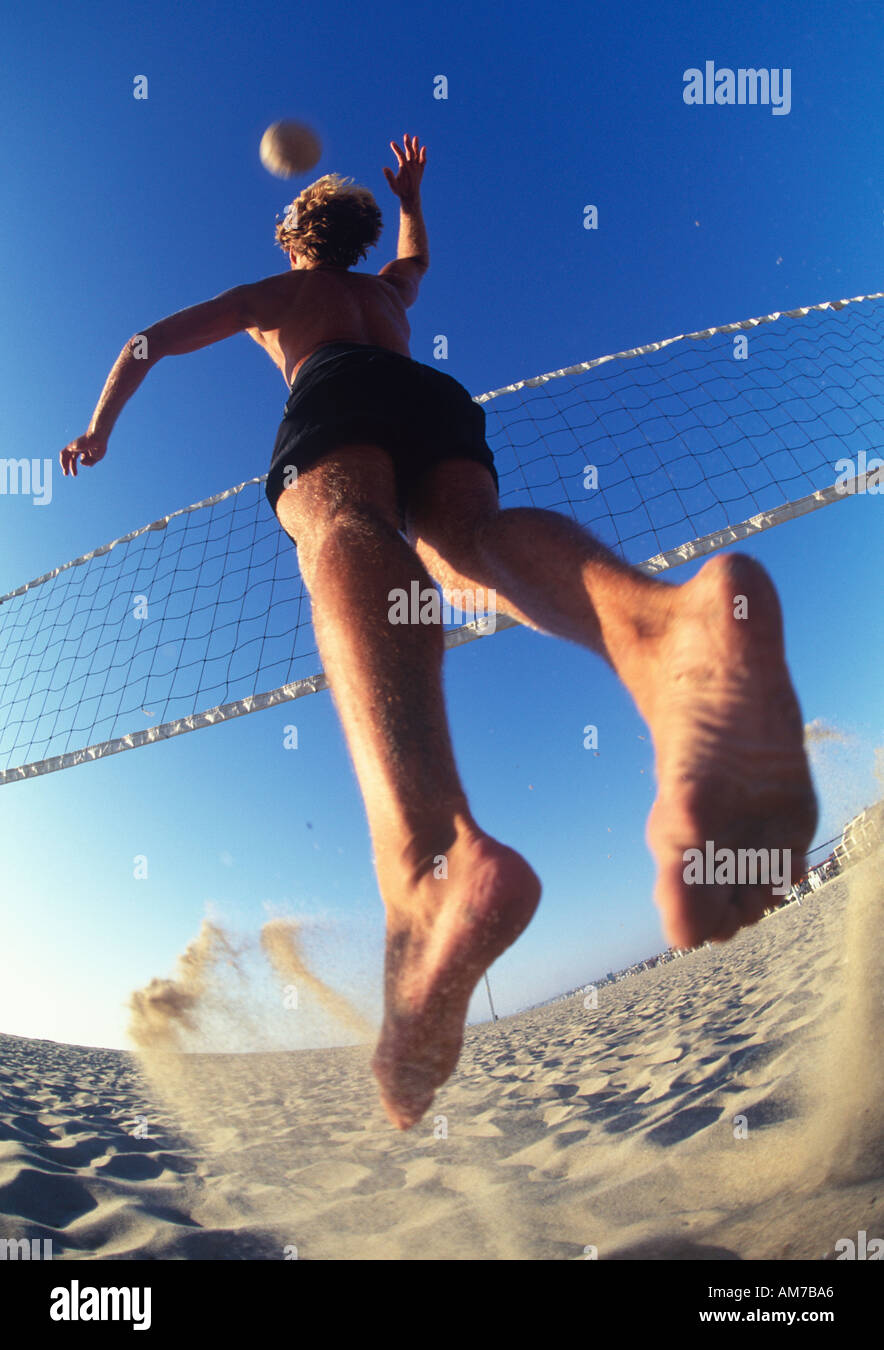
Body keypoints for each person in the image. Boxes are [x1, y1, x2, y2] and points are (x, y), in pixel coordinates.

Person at [60, 134, 817, 1129]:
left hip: (330, 387)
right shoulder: (389, 295)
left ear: (295, 237)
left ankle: (431, 866)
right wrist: (412, 194)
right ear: (359, 236)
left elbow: (142, 341)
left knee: (344, 527)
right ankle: (668, 626)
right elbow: (417, 261)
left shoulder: (287, 296)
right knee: (463, 549)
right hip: (432, 400)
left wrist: (100, 427)